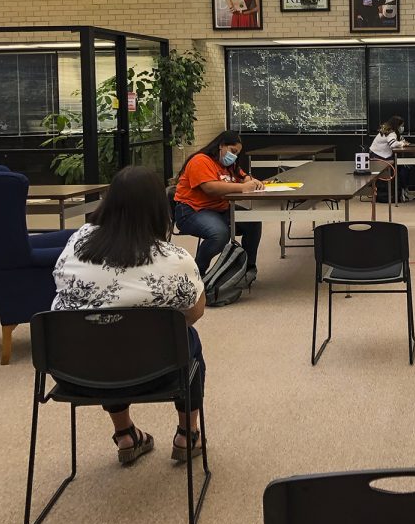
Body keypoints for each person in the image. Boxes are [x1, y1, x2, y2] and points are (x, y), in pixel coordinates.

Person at [52, 166, 208, 465]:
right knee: (186, 338)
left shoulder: (78, 241)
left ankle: (125, 434)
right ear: (160, 209)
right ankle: (187, 435)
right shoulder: (174, 259)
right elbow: (194, 312)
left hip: (74, 371)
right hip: (157, 375)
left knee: (103, 338)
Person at [174, 130, 264, 278]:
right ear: (221, 146)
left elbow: (243, 177)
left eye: (237, 154)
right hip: (192, 211)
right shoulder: (200, 161)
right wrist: (243, 188)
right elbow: (210, 188)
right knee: (219, 234)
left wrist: (250, 181)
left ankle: (247, 270)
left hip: (219, 209)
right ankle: (197, 275)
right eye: (232, 151)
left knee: (253, 222)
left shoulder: (229, 165)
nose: (233, 156)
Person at [370, 115, 411, 202]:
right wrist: (402, 143)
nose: (402, 128)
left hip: (376, 155)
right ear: (397, 125)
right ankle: (397, 193)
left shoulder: (386, 130)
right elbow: (392, 144)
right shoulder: (391, 133)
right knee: (400, 168)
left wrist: (400, 141)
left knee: (401, 167)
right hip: (379, 157)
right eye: (401, 126)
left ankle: (400, 192)